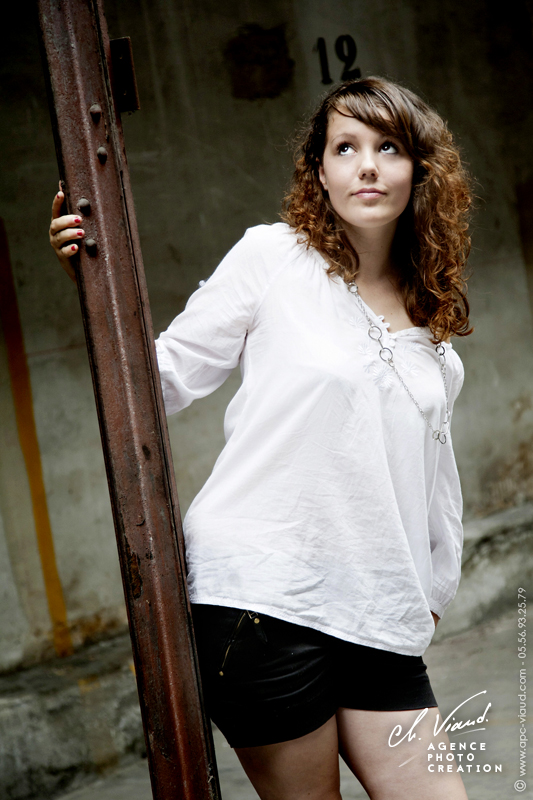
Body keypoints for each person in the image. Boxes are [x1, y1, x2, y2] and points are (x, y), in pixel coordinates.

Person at [49, 77, 472, 800]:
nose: (366, 165)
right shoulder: (272, 257)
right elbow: (163, 377)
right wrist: (89, 283)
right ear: (319, 171)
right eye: (345, 147)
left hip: (378, 611)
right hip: (264, 600)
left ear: (418, 171)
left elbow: (436, 484)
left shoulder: (431, 322)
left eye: (388, 146)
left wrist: (430, 593)